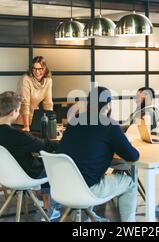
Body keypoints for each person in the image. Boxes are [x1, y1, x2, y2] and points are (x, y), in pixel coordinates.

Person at [58, 87, 140, 222]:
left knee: (89, 169)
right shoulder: (109, 125)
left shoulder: (74, 121)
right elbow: (133, 156)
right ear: (108, 105)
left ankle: (87, 218)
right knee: (130, 183)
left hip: (63, 185)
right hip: (88, 188)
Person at [0, 91, 60, 219]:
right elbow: (45, 145)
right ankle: (49, 206)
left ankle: (44, 201)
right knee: (53, 165)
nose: (19, 114)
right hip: (27, 175)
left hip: (4, 175)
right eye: (18, 111)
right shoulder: (18, 136)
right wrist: (65, 144)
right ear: (13, 112)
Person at [15, 56, 53, 132]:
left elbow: (48, 104)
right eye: (34, 69)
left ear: (45, 69)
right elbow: (24, 104)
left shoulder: (48, 81)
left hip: (34, 120)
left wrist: (50, 124)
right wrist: (26, 126)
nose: (37, 72)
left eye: (40, 69)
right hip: (20, 119)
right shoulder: (26, 79)